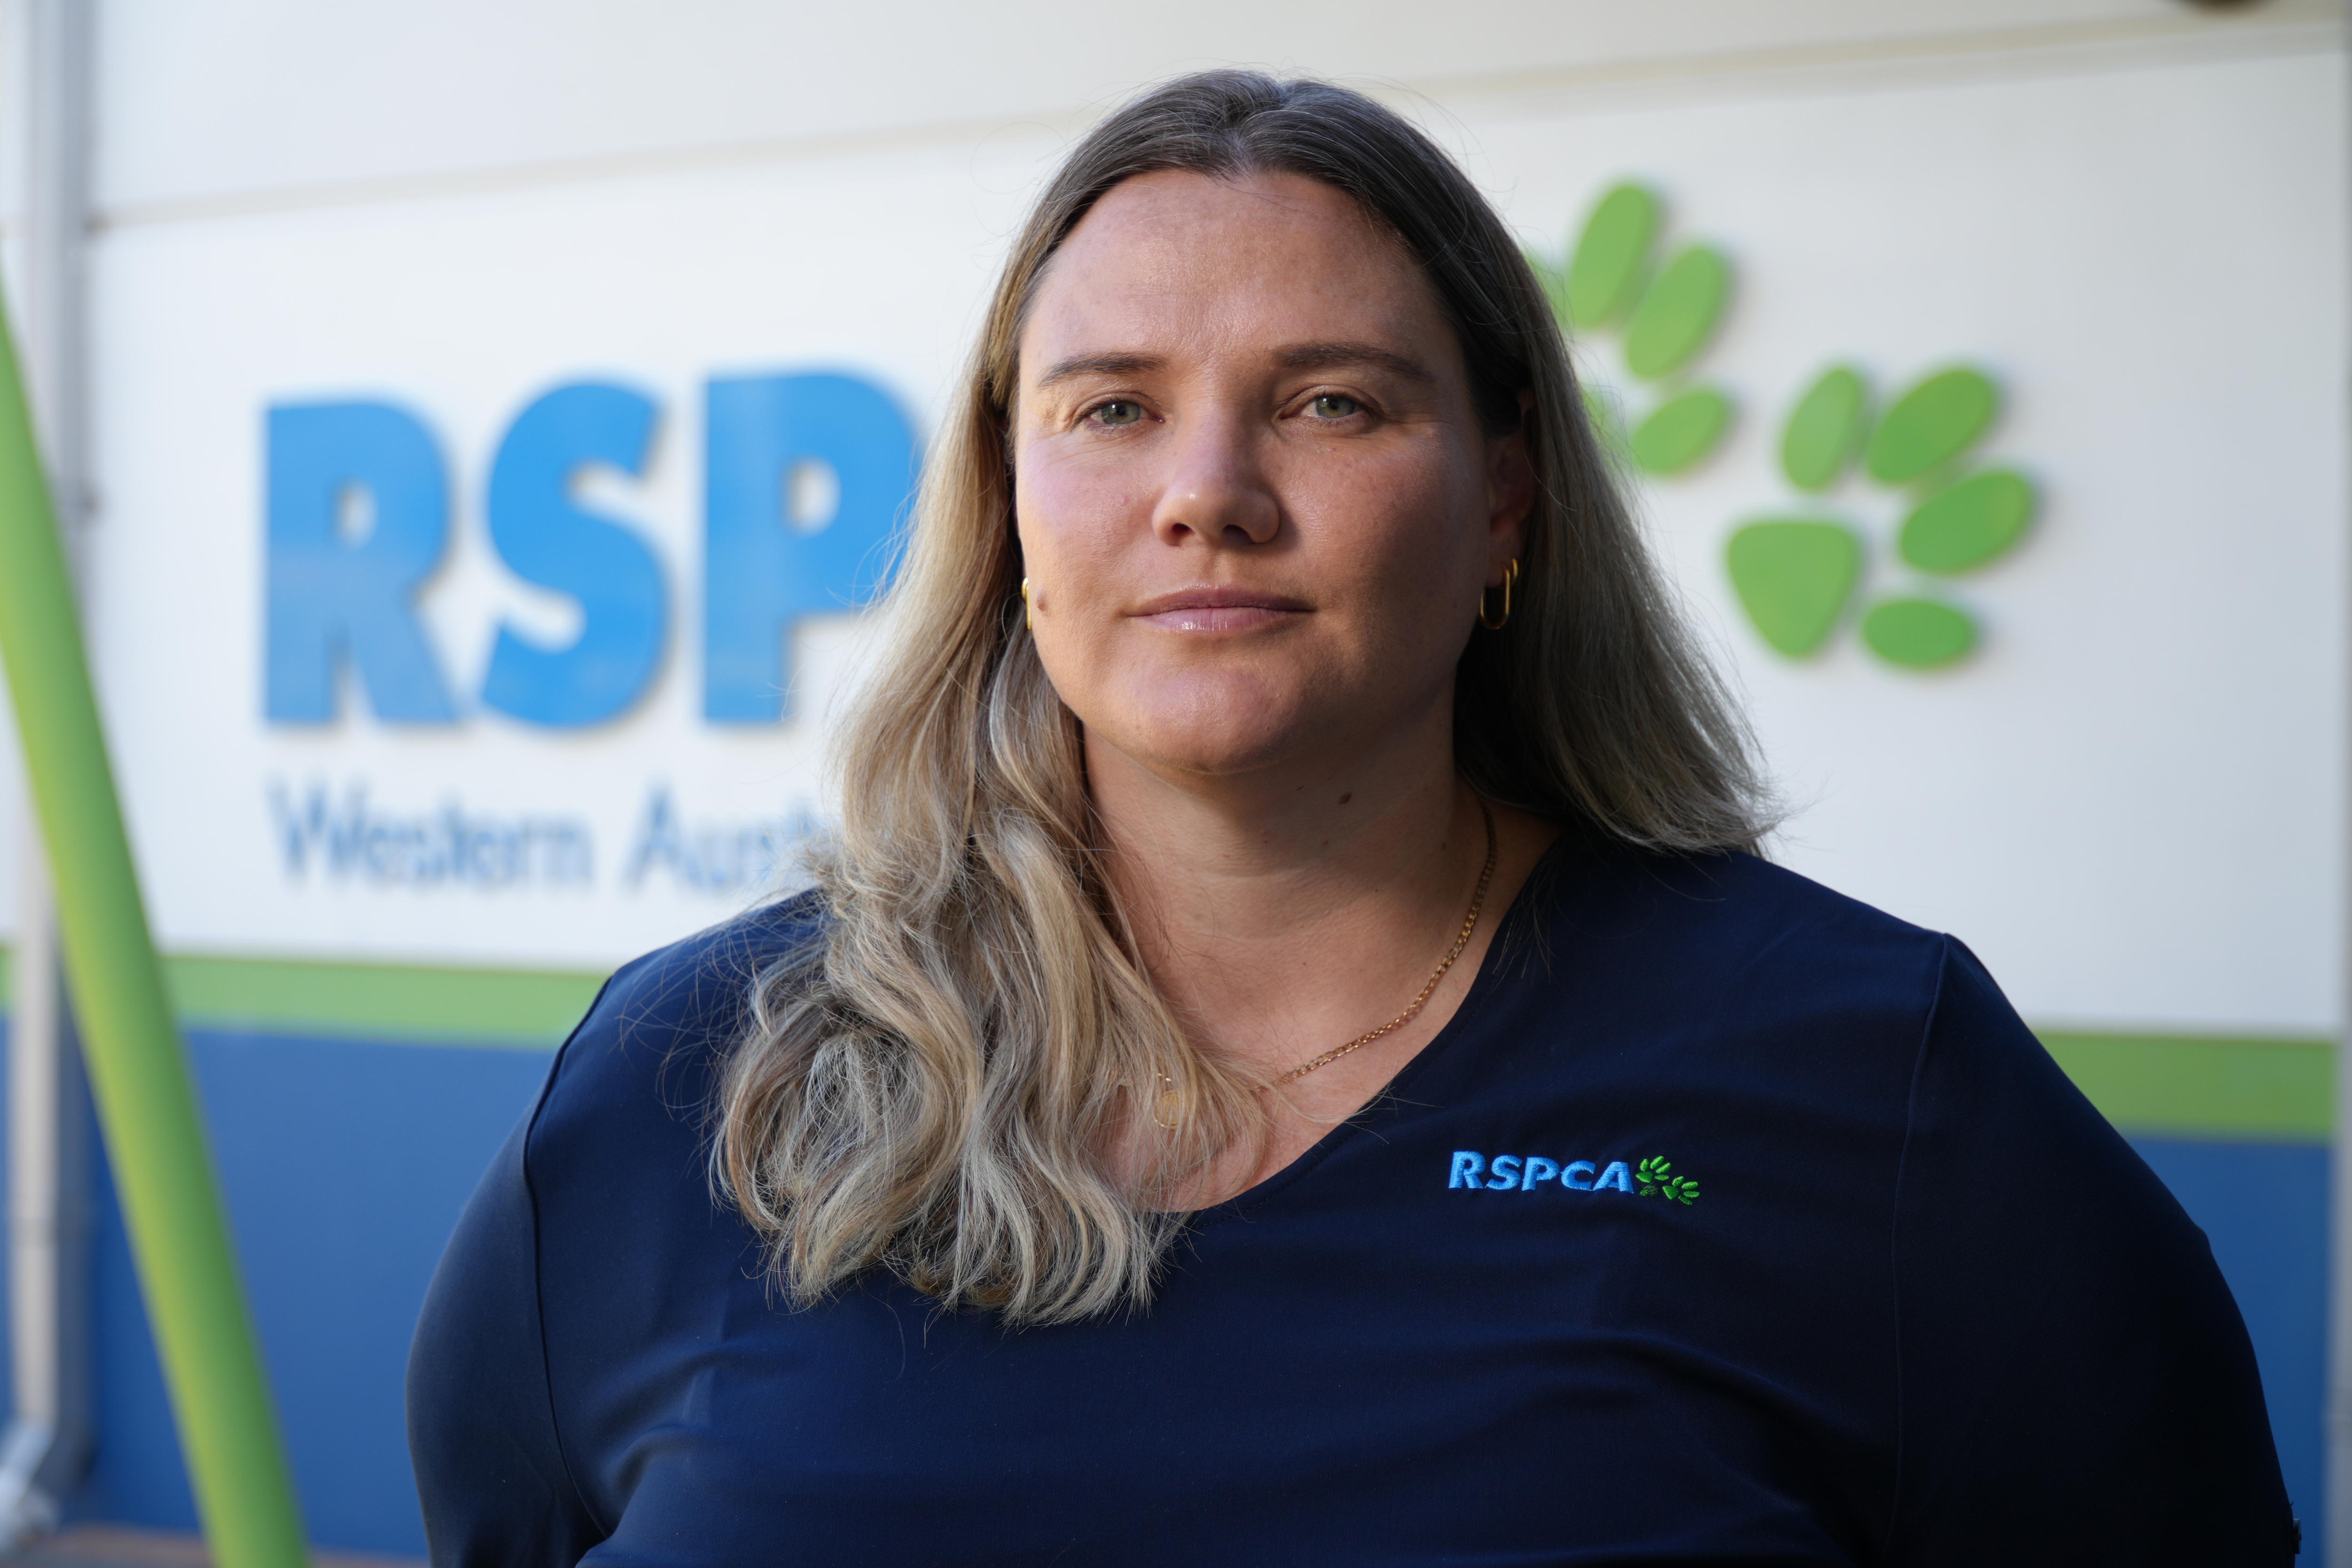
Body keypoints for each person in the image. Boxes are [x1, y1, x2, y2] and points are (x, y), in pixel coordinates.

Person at [407, 71, 2296, 1566]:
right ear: (1008, 502)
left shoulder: (1873, 1087)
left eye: (1328, 402)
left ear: (1502, 501)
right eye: (1110, 408)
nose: (1206, 492)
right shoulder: (688, 1085)